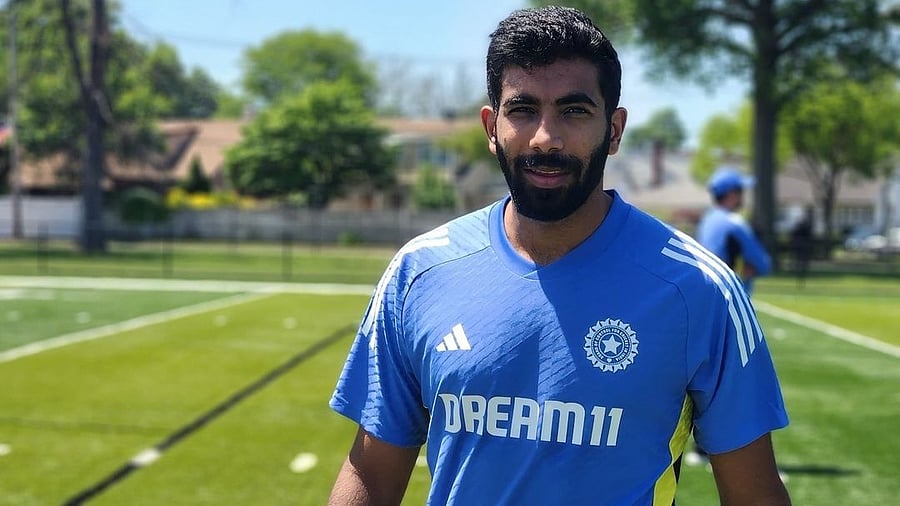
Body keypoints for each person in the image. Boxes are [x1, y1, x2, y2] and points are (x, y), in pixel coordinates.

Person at [328, 6, 791, 505]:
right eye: (523, 110)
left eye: (574, 111)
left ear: (614, 130)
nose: (545, 138)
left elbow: (754, 496)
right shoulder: (419, 272)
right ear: (491, 127)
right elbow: (371, 472)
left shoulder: (699, 289)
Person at [696, 166, 773, 294]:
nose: (743, 195)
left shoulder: (706, 220)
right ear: (731, 193)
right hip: (727, 294)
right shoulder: (734, 221)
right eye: (740, 191)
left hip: (704, 290)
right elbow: (763, 263)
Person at [789, 207, 814, 287]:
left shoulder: (801, 226)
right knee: (801, 262)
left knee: (801, 262)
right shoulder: (806, 226)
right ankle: (800, 276)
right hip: (802, 246)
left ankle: (800, 276)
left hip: (801, 246)